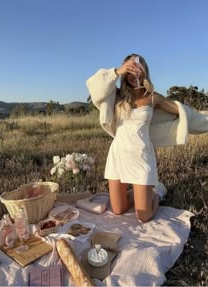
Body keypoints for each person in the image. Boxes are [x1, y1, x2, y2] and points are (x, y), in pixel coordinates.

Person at [86, 53, 208, 223]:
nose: (134, 74)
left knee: (143, 216)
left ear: (144, 71)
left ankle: (156, 192)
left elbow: (182, 113)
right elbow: (94, 86)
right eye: (129, 70)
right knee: (118, 210)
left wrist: (204, 119)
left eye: (138, 69)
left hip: (141, 155)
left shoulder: (152, 97)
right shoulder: (116, 94)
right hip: (118, 154)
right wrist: (117, 71)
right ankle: (140, 192)